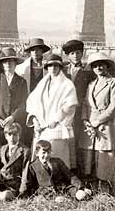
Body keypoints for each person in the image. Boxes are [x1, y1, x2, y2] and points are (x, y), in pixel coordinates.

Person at [26, 54, 78, 169]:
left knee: (56, 157)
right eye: (50, 66)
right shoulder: (42, 84)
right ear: (47, 68)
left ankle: (58, 180)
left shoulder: (67, 84)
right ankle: (40, 180)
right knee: (40, 156)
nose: (53, 69)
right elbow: (32, 102)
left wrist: (56, 119)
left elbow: (70, 105)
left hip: (57, 126)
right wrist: (35, 120)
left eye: (56, 66)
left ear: (60, 68)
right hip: (42, 127)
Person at [80, 52, 115, 192]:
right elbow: (85, 104)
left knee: (105, 158)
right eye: (95, 65)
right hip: (90, 127)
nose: (98, 68)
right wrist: (85, 121)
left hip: (105, 126)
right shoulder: (91, 84)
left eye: (101, 64)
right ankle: (92, 188)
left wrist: (96, 122)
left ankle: (106, 191)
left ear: (107, 66)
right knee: (89, 158)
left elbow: (113, 108)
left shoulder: (112, 83)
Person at [63, 39, 96, 179]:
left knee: (80, 143)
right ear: (67, 56)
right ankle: (66, 171)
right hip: (65, 113)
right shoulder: (62, 70)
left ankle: (82, 173)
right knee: (66, 141)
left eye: (78, 52)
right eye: (72, 53)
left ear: (82, 54)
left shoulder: (88, 72)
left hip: (81, 113)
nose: (75, 56)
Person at [0, 48, 28, 158]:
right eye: (5, 62)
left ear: (15, 64)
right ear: (2, 64)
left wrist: (13, 117)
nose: (8, 64)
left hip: (15, 123)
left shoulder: (21, 81)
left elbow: (24, 103)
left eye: (11, 61)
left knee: (15, 151)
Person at [19, 140, 90, 201]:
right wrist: (23, 196)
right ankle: (61, 200)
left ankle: (68, 197)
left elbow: (70, 175)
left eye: (48, 152)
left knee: (82, 195)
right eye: (43, 152)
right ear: (37, 153)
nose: (46, 155)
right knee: (56, 201)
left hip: (63, 189)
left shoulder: (58, 161)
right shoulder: (32, 166)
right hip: (46, 194)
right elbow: (27, 183)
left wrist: (82, 187)